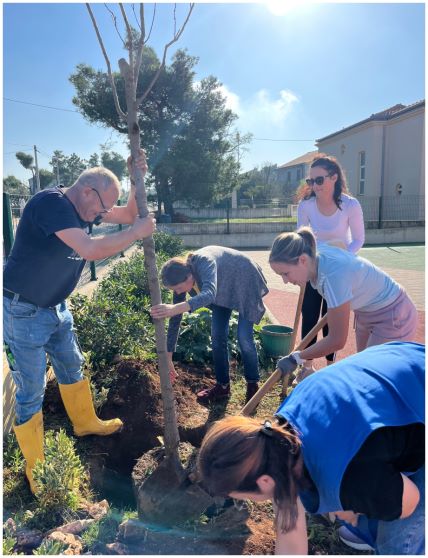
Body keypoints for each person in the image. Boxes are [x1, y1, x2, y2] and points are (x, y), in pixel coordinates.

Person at [3, 151, 156, 493]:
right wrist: (135, 233)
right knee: (31, 391)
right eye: (101, 208)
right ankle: (37, 470)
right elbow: (89, 249)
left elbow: (130, 212)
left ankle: (85, 423)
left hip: (55, 306)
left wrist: (135, 177)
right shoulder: (51, 204)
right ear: (87, 190)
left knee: (72, 365)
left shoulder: (89, 204)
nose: (102, 216)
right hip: (23, 310)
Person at [198, 342, 425, 555]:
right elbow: (290, 533)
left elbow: (410, 502)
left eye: (243, 497)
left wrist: (355, 503)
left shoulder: (350, 478)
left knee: (398, 538)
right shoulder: (275, 438)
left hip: (416, 389)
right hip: (406, 366)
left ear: (265, 482)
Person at [268, 227, 417, 375]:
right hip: (365, 312)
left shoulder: (332, 276)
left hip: (393, 314)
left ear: (302, 260)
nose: (285, 281)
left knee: (375, 376)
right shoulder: (315, 254)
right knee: (364, 371)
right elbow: (339, 244)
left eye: (285, 273)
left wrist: (296, 358)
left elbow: (337, 340)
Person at [150, 246, 269, 404]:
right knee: (217, 336)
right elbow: (175, 318)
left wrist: (176, 308)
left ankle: (253, 385)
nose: (178, 293)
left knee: (244, 337)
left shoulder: (204, 262)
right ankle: (223, 386)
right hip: (223, 289)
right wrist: (168, 357)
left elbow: (209, 294)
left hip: (244, 279)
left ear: (189, 276)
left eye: (178, 288)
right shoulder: (181, 281)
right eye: (175, 290)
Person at [295, 154, 365, 381]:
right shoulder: (306, 206)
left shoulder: (351, 205)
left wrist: (342, 260)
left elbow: (358, 239)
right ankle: (306, 367)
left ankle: (330, 366)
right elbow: (301, 236)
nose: (314, 186)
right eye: (310, 181)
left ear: (334, 177)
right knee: (310, 316)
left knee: (332, 318)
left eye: (319, 180)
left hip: (339, 271)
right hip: (314, 269)